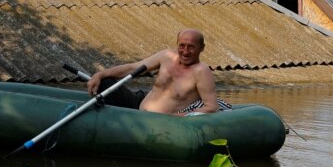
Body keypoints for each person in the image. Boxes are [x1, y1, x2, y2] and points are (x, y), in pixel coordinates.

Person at [86, 28, 231, 115]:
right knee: (105, 83)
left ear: (202, 48)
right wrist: (100, 74)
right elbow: (132, 68)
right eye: (182, 45)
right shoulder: (166, 56)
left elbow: (211, 107)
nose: (185, 52)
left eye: (191, 47)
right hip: (139, 104)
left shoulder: (202, 72)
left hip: (162, 121)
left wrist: (181, 117)